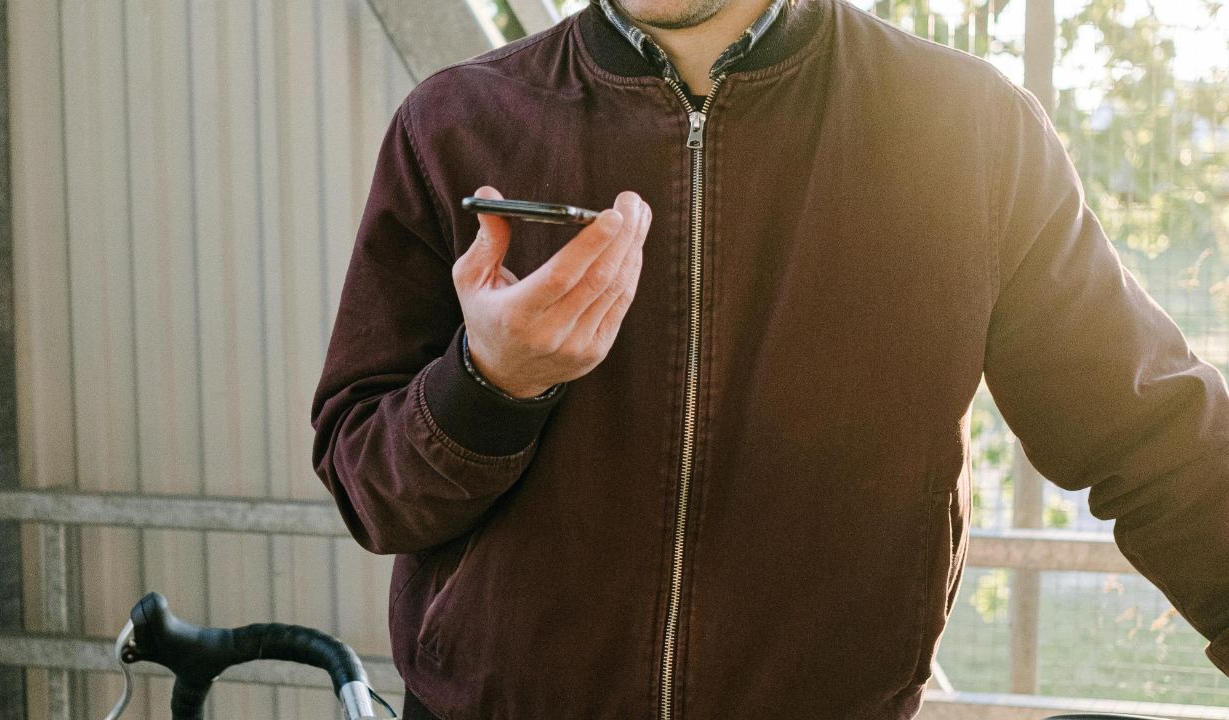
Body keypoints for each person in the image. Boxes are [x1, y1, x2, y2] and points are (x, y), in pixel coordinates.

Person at [310, 0, 1229, 717]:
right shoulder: (456, 123)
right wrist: (490, 384)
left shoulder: (969, 132)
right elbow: (367, 485)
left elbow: (1157, 442)